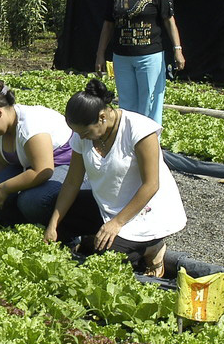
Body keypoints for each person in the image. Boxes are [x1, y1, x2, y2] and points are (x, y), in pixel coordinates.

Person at [44, 79, 186, 277]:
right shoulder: (84, 135)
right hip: (108, 206)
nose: (81, 138)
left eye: (85, 132)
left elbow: (151, 185)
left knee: (107, 256)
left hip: (145, 210)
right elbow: (71, 182)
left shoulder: (139, 130)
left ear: (102, 117)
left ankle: (152, 247)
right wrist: (53, 225)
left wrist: (117, 223)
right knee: (51, 211)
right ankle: (95, 237)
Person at [94, 0, 185, 126]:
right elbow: (108, 24)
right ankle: (130, 146)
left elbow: (169, 21)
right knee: (127, 105)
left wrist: (177, 49)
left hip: (150, 56)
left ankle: (150, 145)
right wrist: (100, 54)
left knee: (150, 104)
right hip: (122, 57)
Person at [0, 83, 74, 227]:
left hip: (66, 164)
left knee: (31, 200)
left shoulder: (30, 126)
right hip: (31, 165)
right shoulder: (1, 128)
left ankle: (59, 229)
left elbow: (43, 171)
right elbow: (0, 162)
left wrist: (5, 187)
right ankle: (20, 224)